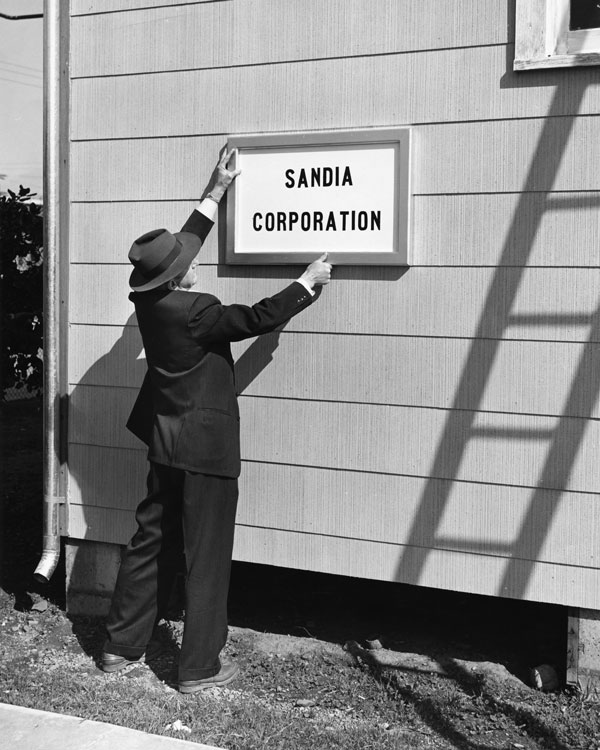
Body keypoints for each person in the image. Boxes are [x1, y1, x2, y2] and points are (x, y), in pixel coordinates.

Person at [101, 149, 332, 693]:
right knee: (205, 555)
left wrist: (215, 190)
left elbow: (179, 250)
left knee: (150, 540)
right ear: (182, 280)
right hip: (204, 450)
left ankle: (119, 645)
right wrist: (306, 281)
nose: (195, 262)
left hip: (164, 442)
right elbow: (254, 319)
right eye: (189, 265)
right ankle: (199, 667)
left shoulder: (152, 300)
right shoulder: (198, 310)